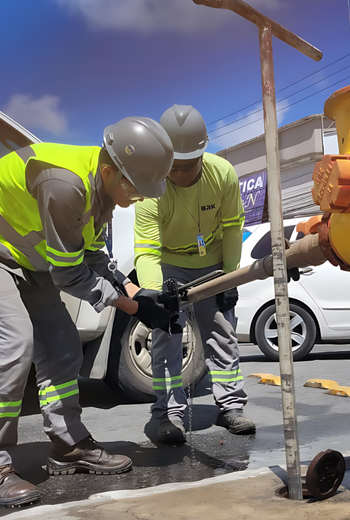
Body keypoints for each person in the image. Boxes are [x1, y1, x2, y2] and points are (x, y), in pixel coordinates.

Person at [0, 117, 178, 507]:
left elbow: (94, 255)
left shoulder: (101, 191)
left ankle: (68, 444)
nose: (141, 197)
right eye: (136, 187)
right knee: (12, 343)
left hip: (25, 256)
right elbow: (70, 275)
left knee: (63, 345)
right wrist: (133, 308)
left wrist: (137, 291)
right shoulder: (66, 185)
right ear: (109, 171)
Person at [133, 105, 254, 445]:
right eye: (173, 166)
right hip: (168, 264)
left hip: (212, 263)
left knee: (222, 332)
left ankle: (230, 406)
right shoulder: (151, 185)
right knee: (166, 337)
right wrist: (157, 294)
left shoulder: (223, 174)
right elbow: (146, 249)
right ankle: (167, 414)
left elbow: (232, 228)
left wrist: (230, 278)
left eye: (188, 166)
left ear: (203, 152)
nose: (179, 174)